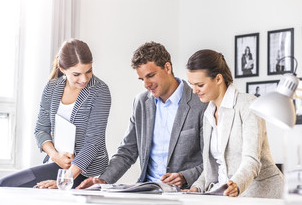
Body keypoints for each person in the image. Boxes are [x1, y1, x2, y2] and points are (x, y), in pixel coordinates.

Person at [77, 42, 207, 189]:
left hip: (186, 192)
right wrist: (103, 180)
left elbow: (212, 160)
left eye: (150, 76)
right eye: (142, 79)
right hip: (147, 190)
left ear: (167, 68)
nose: (146, 84)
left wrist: (185, 176)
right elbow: (127, 152)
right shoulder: (141, 103)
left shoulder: (200, 103)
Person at [0, 39, 111, 188]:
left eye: (88, 71)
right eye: (76, 74)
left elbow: (93, 142)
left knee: (14, 186)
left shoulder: (100, 91)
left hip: (86, 169)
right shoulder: (52, 88)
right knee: (5, 184)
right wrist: (55, 156)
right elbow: (41, 130)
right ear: (63, 69)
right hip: (58, 164)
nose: (84, 79)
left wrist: (65, 179)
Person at [185, 49, 283, 198]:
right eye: (191, 84)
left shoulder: (248, 104)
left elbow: (251, 160)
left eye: (199, 85)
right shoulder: (208, 114)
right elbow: (213, 166)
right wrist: (197, 188)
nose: (194, 91)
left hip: (260, 195)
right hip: (224, 196)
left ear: (218, 79)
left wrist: (236, 184)